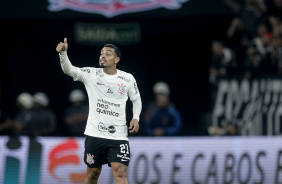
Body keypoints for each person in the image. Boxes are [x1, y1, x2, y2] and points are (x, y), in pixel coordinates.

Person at [56, 38, 142, 184]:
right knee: (93, 174)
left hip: (119, 136)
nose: (103, 56)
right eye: (101, 53)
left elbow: (136, 99)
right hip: (94, 134)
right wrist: (63, 54)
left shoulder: (127, 78)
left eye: (108, 54)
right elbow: (69, 70)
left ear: (117, 59)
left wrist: (136, 117)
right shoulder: (91, 74)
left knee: (120, 173)